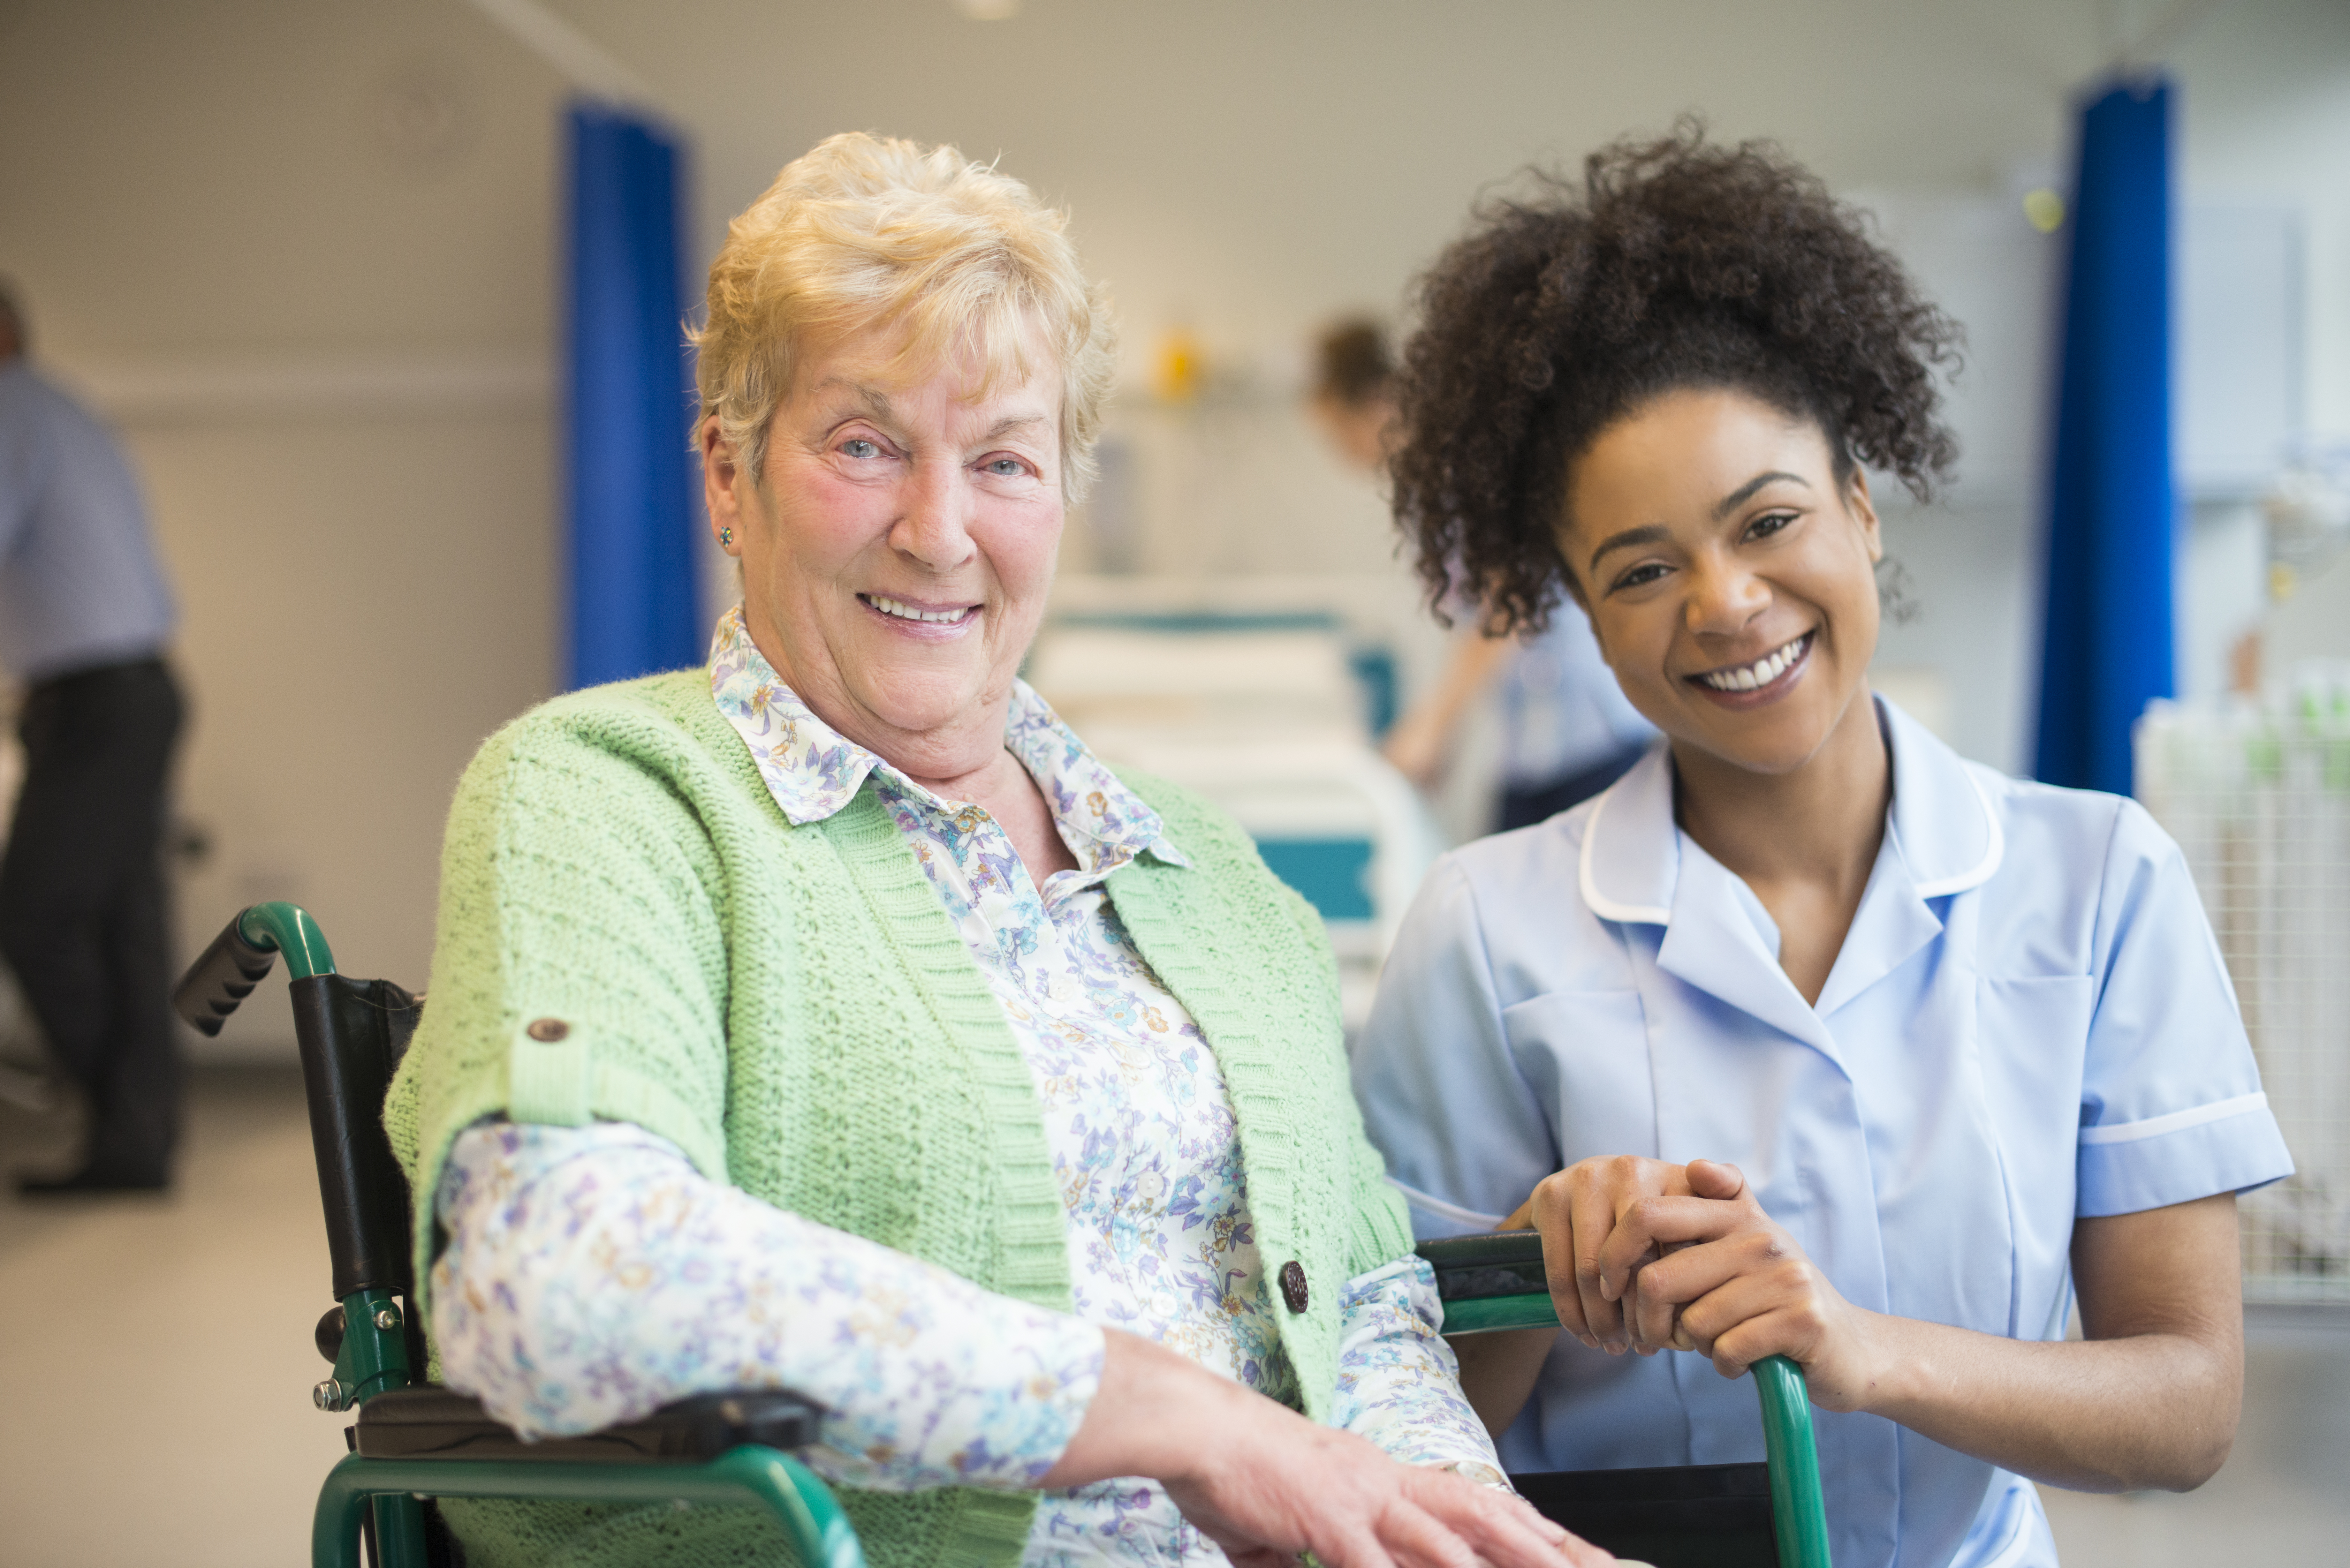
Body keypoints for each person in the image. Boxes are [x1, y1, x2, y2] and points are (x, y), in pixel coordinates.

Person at [385, 134, 1613, 1568]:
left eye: (1005, 461)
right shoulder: (614, 802)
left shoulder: (1202, 872)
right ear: (728, 474)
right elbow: (559, 1277)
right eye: (864, 445)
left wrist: (1452, 1525)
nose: (938, 529)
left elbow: (1367, 1304)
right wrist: (1177, 1416)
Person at [1352, 127, 2294, 1568]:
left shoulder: (2098, 883)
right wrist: (1530, 1274)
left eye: (1769, 520)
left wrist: (1859, 1347)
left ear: (1860, 510)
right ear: (1587, 621)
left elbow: (2187, 1407)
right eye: (1644, 569)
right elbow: (1391, 1432)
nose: (1726, 604)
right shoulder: (1483, 931)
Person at [1310, 319, 1653, 831]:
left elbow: (1509, 603)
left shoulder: (1460, 467)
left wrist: (1432, 727)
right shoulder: (1425, 489)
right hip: (1538, 742)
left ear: (1378, 402)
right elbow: (1478, 626)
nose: (1338, 451)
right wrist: (1443, 738)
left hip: (1591, 732)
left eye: (1338, 429)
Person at [0, 278, 185, 1195]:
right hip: (134, 691)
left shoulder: (11, 406)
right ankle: (135, 1142)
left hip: (95, 704)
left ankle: (124, 1121)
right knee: (123, 927)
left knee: (33, 912)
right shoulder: (64, 406)